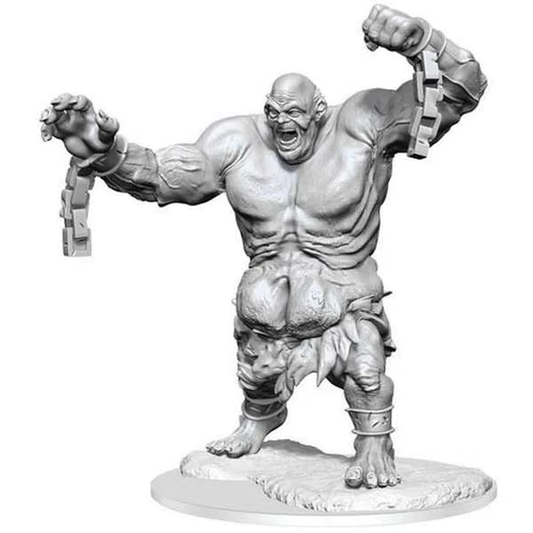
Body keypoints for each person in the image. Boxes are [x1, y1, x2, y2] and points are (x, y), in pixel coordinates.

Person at [41, 5, 486, 489]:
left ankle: (375, 444)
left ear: (319, 111)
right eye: (273, 112)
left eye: (293, 113)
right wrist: (106, 151)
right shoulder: (236, 141)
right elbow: (160, 177)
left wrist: (425, 44)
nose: (280, 123)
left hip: (342, 298)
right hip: (262, 310)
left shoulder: (364, 123)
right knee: (255, 374)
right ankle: (259, 419)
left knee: (365, 373)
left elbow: (458, 95)